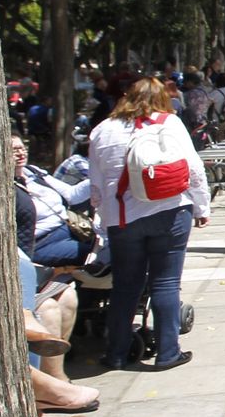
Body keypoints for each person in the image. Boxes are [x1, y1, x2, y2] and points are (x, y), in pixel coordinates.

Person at [88, 76, 209, 370]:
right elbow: (193, 168)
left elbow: (96, 186)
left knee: (125, 287)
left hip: (123, 220)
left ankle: (116, 353)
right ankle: (168, 352)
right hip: (169, 212)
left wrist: (105, 221)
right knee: (165, 283)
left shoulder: (102, 131)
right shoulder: (169, 123)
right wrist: (201, 205)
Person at [13, 135, 94, 265]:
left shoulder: (33, 171)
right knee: (95, 256)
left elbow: (71, 195)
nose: (20, 153)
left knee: (109, 245)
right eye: (14, 150)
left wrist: (100, 177)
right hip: (41, 243)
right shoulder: (4, 187)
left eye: (22, 148)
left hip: (70, 229)